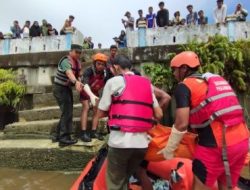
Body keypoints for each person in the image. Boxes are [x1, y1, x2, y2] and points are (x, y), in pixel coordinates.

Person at [158, 51, 249, 190]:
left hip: (216, 145)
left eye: (174, 70)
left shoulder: (184, 86)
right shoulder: (213, 81)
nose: (174, 74)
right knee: (227, 186)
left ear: (184, 68)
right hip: (242, 142)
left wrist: (169, 149)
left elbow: (181, 124)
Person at [97, 55, 163, 190]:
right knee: (125, 179)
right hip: (141, 146)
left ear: (115, 67)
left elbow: (100, 114)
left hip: (119, 144)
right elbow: (159, 114)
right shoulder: (146, 83)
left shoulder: (113, 82)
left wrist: (96, 104)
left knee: (116, 183)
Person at [53, 44, 98, 147]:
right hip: (59, 88)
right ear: (71, 51)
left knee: (67, 111)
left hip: (66, 88)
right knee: (67, 112)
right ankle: (64, 138)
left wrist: (81, 82)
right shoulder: (65, 61)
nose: (78, 54)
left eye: (79, 52)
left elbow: (79, 75)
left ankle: (57, 135)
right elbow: (69, 73)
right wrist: (76, 82)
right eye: (76, 52)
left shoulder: (78, 63)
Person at [79, 53, 108, 142]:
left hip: (95, 92)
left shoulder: (105, 73)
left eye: (102, 64)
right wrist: (90, 96)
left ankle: (93, 131)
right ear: (94, 63)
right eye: (98, 64)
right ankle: (83, 132)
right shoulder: (88, 71)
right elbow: (85, 84)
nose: (100, 66)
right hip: (85, 91)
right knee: (86, 107)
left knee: (97, 109)